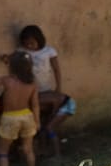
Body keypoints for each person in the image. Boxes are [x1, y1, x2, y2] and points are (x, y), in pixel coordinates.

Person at [17, 25, 72, 154]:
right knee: (39, 119)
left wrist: (59, 87)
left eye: (32, 43)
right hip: (32, 92)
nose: (29, 46)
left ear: (39, 39)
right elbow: (14, 61)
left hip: (46, 90)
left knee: (49, 121)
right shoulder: (22, 51)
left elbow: (56, 69)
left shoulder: (49, 51)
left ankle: (52, 145)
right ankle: (42, 145)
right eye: (26, 44)